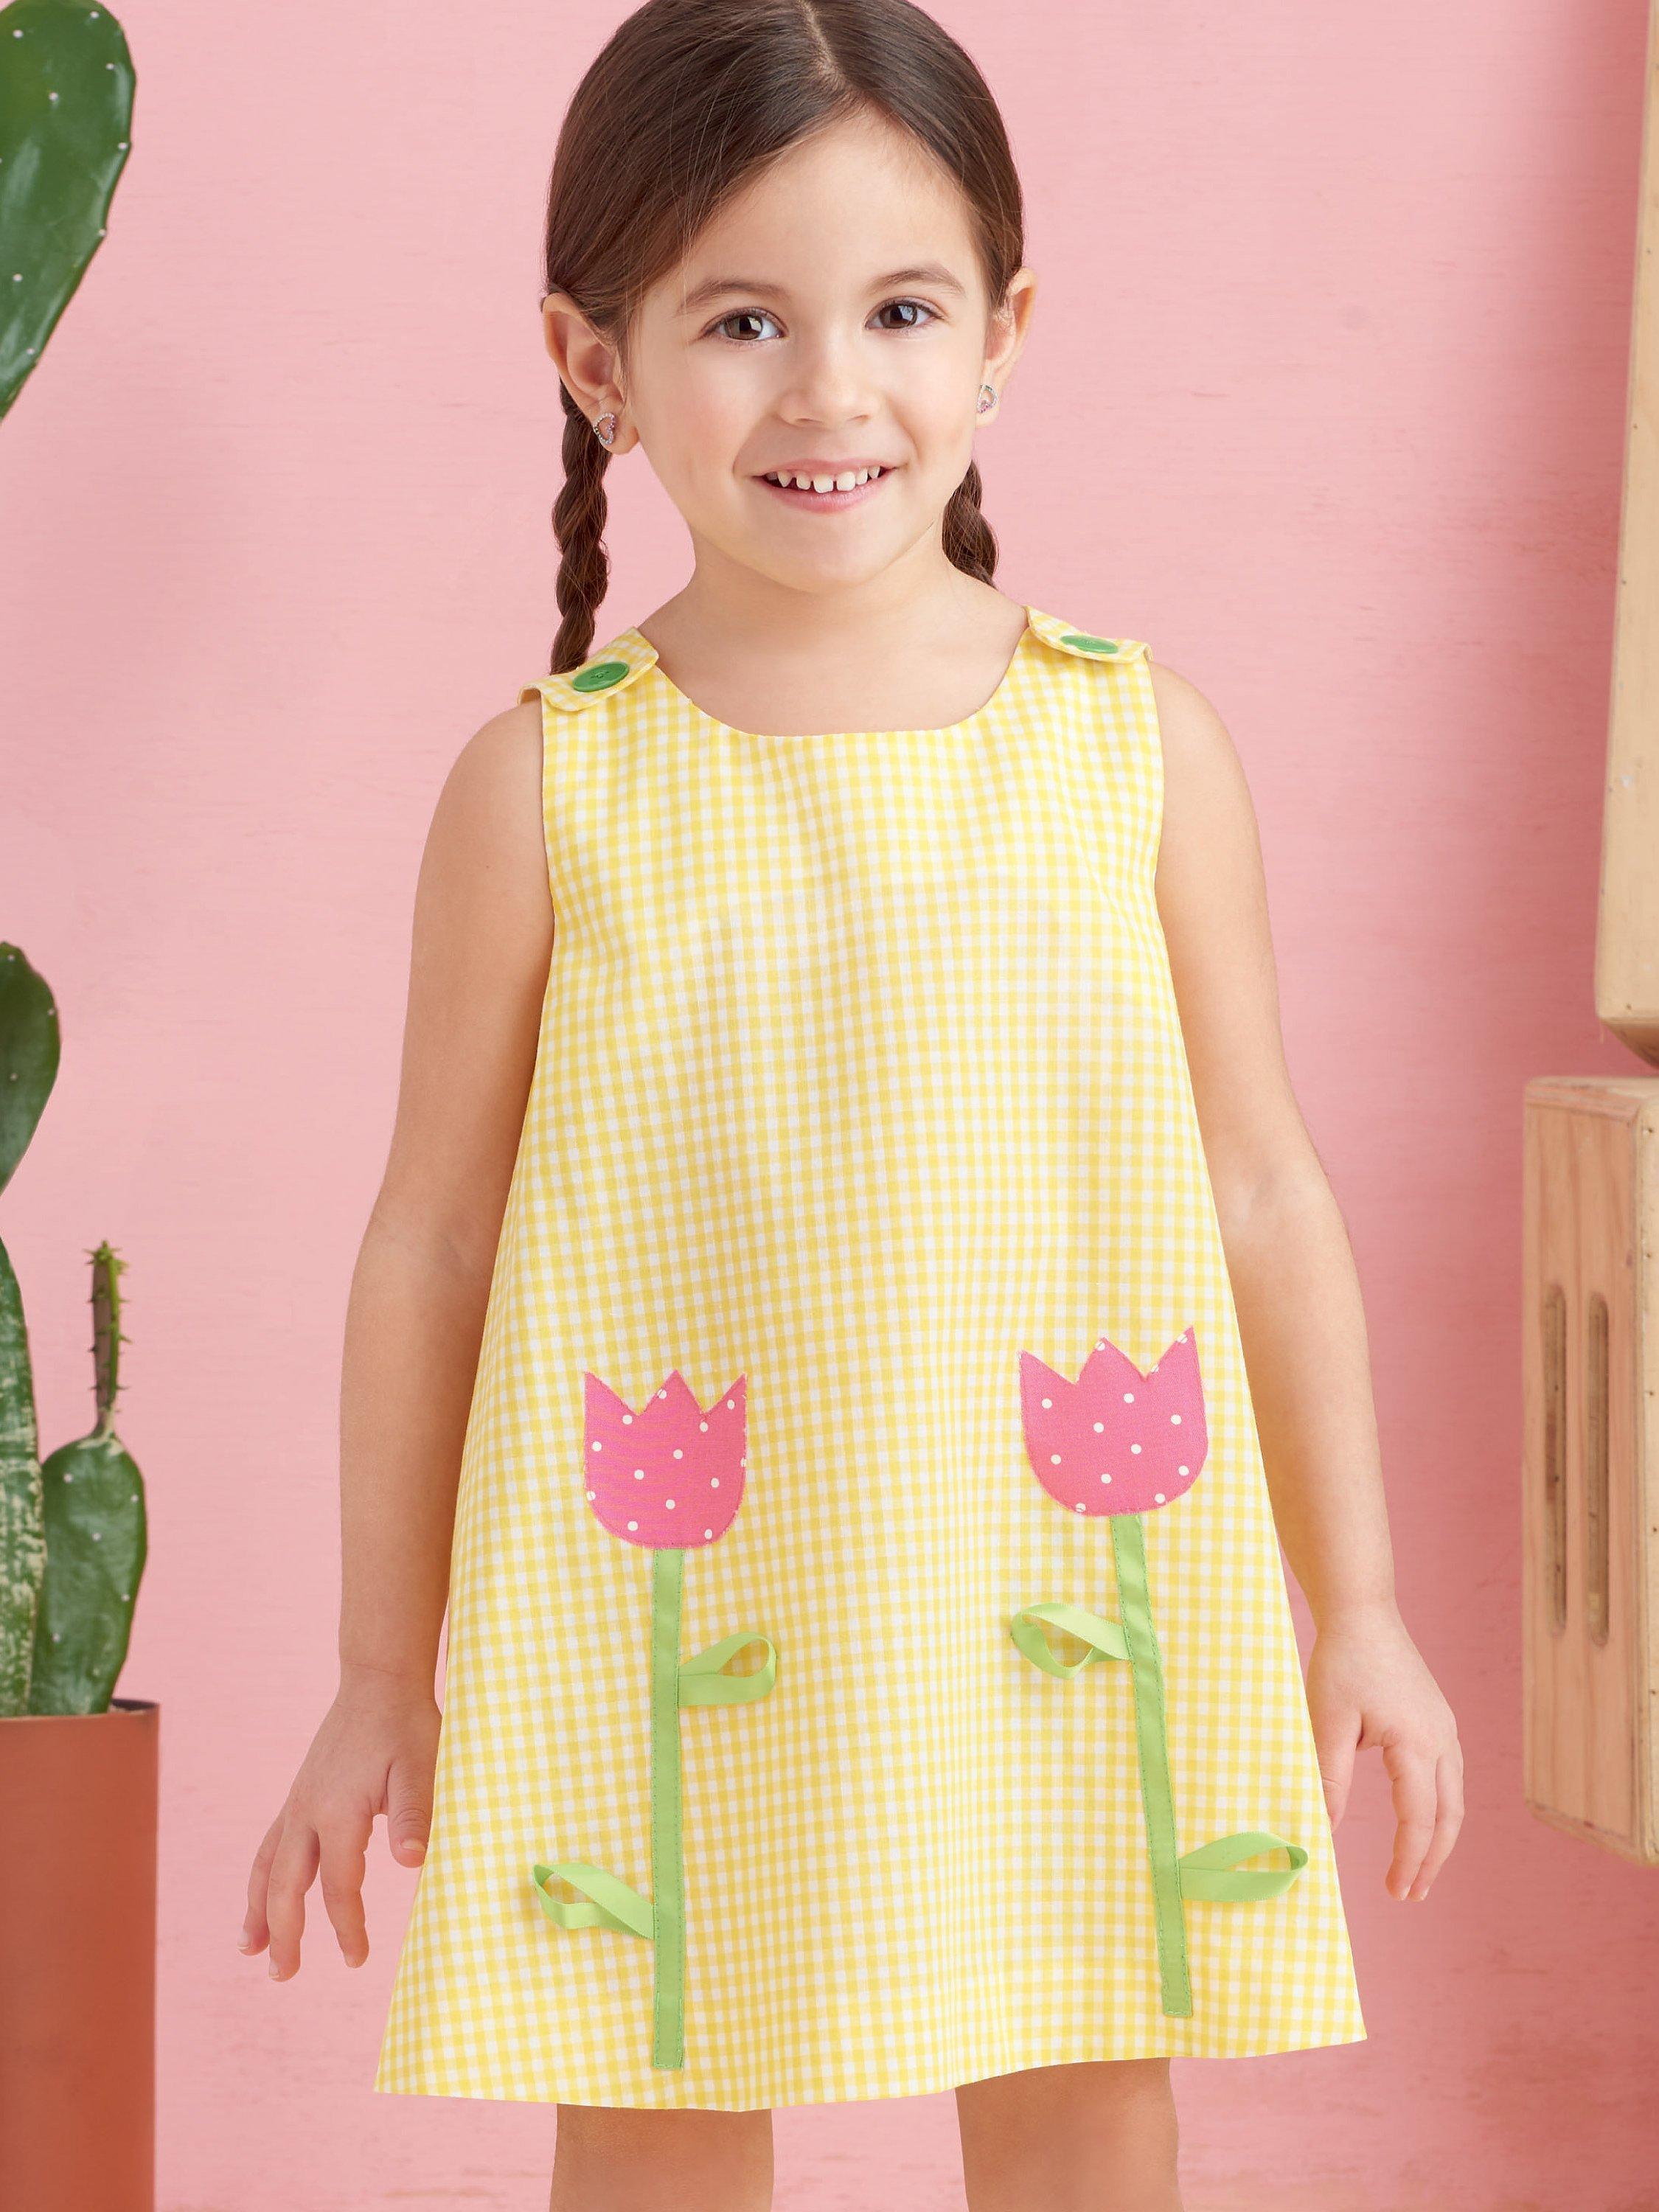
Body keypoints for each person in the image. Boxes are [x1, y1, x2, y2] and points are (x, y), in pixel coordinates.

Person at [239, 1, 1463, 2205]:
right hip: (678, 1589)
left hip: (1047, 1582)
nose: (828, 391)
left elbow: (1262, 1186)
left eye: (899, 310)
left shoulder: (1133, 748)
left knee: (1089, 2084)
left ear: (1004, 335)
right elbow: (431, 1236)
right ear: (596, 363)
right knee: (659, 2085)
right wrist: (374, 1667)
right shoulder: (547, 789)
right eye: (740, 320)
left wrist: (1354, 1598)